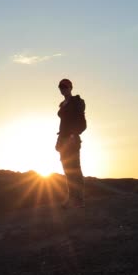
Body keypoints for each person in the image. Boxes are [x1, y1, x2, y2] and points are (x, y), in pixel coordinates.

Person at [55, 78, 87, 209]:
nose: (63, 89)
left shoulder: (77, 102)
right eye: (61, 87)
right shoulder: (62, 104)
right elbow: (63, 124)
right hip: (63, 139)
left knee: (75, 169)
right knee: (67, 170)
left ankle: (78, 199)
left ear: (70, 88)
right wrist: (59, 140)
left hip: (72, 140)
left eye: (65, 87)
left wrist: (74, 135)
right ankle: (71, 198)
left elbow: (82, 123)